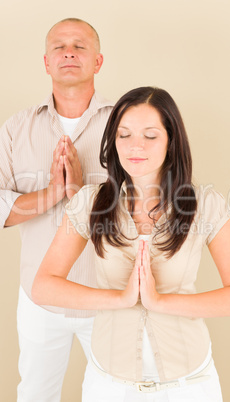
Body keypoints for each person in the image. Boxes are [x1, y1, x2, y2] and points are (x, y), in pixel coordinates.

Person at [32, 86, 230, 402]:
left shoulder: (207, 205)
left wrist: (160, 302)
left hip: (190, 385)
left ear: (171, 141)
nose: (135, 146)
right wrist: (121, 298)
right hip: (109, 385)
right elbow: (43, 287)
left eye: (150, 136)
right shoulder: (89, 203)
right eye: (124, 135)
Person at [0, 18, 113, 401]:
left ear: (98, 61)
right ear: (46, 62)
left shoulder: (125, 125)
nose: (69, 52)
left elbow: (147, 207)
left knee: (114, 393)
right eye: (59, 47)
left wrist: (82, 193)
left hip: (108, 296)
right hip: (39, 298)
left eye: (80, 46)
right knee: (34, 394)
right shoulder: (16, 129)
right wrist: (50, 194)